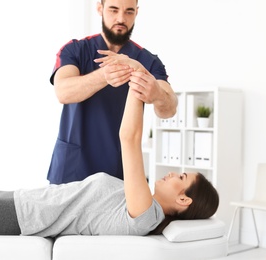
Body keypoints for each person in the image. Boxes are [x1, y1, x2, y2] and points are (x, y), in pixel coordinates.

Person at [0, 60, 219, 236]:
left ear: (183, 199)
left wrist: (138, 82)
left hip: (20, 217)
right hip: (19, 199)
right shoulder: (143, 203)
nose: (174, 173)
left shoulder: (145, 214)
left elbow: (129, 139)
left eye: (182, 177)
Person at [47, 0, 178, 184]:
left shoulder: (148, 61)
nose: (121, 18)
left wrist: (156, 93)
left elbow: (169, 108)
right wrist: (103, 76)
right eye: (114, 10)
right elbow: (63, 92)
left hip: (116, 172)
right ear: (100, 9)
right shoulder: (75, 50)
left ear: (136, 13)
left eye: (129, 12)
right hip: (72, 169)